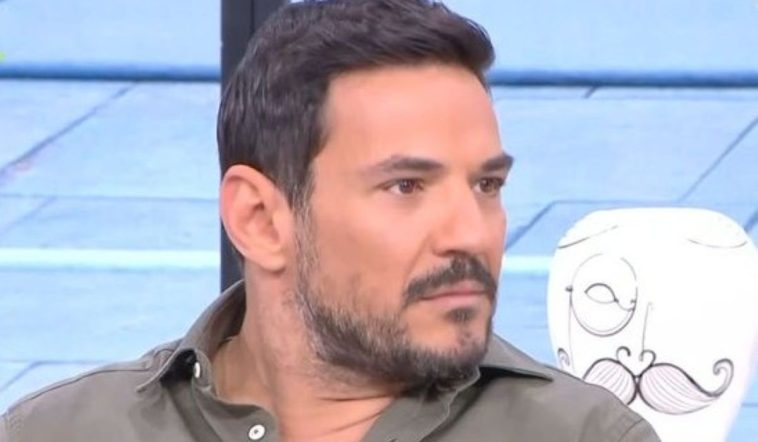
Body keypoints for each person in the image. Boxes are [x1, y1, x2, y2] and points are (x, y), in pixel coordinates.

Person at [0, 1, 660, 441]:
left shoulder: (585, 436)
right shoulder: (61, 433)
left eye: (487, 185)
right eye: (407, 186)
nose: (470, 233)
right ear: (259, 219)